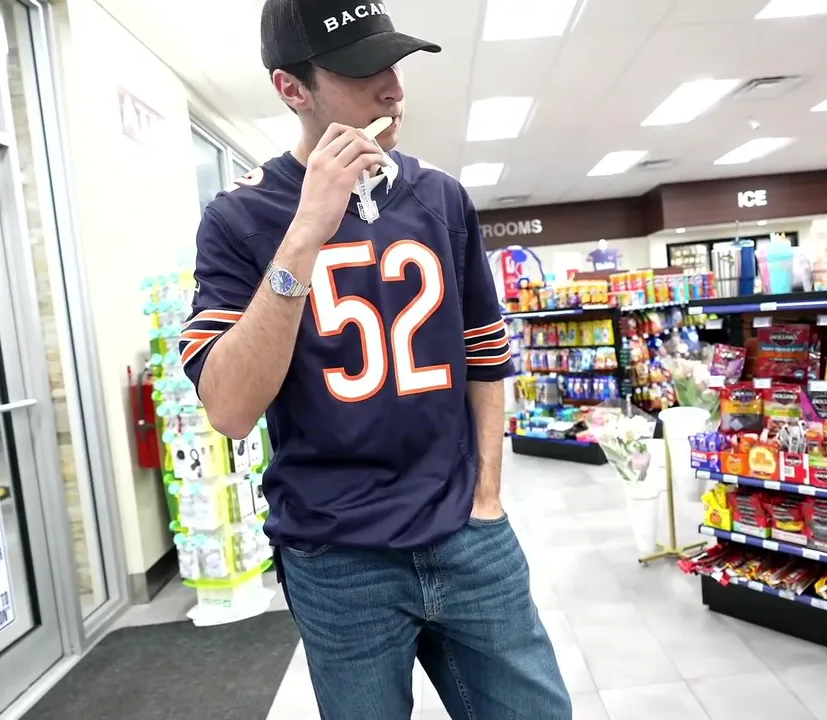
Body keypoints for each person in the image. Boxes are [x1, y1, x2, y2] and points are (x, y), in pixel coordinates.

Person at [179, 1, 572, 718]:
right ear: (291, 89)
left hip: (466, 533)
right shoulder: (238, 219)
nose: (393, 88)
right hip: (337, 557)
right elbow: (230, 410)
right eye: (362, 72)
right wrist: (307, 228)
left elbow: (485, 355)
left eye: (393, 64)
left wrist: (487, 496)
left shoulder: (441, 198)